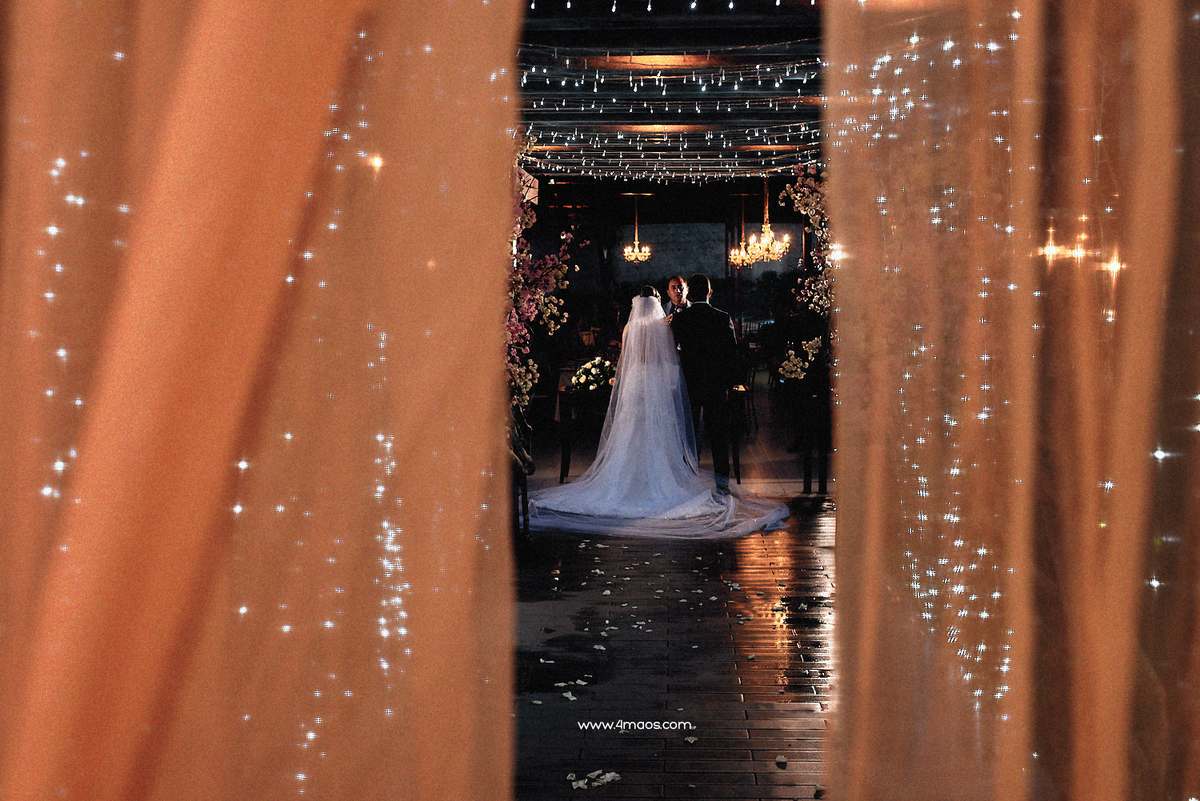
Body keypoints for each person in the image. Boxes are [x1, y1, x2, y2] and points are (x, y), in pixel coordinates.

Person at [527, 286, 787, 539]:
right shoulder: (663, 328)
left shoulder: (629, 328)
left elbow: (625, 358)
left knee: (631, 428)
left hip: (634, 380)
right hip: (655, 380)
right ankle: (658, 479)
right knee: (657, 427)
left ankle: (627, 480)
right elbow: (672, 358)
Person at [670, 273, 738, 483]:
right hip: (715, 383)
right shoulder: (722, 317)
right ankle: (722, 480)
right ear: (710, 292)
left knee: (690, 433)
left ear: (690, 292)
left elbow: (672, 351)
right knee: (718, 434)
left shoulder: (680, 319)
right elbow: (732, 354)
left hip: (689, 382)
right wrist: (729, 384)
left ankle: (690, 476)